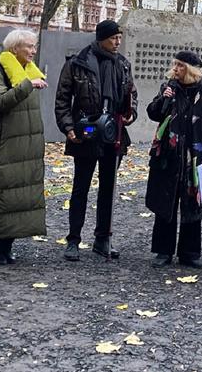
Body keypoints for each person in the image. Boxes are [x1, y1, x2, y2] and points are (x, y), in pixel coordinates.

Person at [55, 20, 137, 261]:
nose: (118, 42)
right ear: (101, 38)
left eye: (119, 38)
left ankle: (103, 239)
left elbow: (132, 94)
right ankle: (73, 240)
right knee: (80, 188)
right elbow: (62, 99)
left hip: (115, 133)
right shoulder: (77, 63)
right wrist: (68, 128)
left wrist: (131, 113)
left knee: (108, 190)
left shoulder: (123, 64)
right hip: (85, 132)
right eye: (113, 38)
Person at [145, 51, 202, 268]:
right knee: (166, 202)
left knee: (193, 205)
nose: (176, 69)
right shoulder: (169, 88)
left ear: (191, 70)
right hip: (168, 155)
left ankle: (190, 253)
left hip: (196, 156)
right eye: (175, 64)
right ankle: (163, 251)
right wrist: (165, 98)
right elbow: (153, 113)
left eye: (180, 65)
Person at [0, 29, 48, 265]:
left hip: (23, 146)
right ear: (14, 48)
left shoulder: (30, 72)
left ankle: (7, 246)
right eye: (29, 46)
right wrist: (27, 85)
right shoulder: (0, 71)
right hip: (4, 145)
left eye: (34, 46)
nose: (33, 51)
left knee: (16, 198)